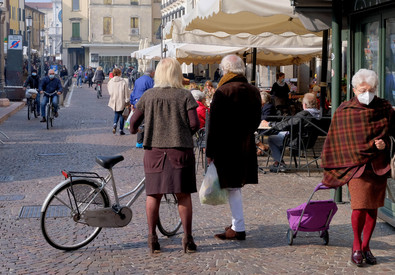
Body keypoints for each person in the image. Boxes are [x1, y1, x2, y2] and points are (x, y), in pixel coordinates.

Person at [321, 69, 395, 267]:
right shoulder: (345, 110)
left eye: (371, 90)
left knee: (373, 208)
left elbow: (393, 134)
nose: (367, 94)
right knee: (360, 206)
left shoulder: (385, 108)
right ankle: (356, 246)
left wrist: (385, 143)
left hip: (377, 166)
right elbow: (337, 140)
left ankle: (366, 246)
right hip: (355, 167)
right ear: (354, 90)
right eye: (363, 90)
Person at [129, 57, 199, 254]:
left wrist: (148, 128)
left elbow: (133, 125)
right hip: (180, 150)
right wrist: (182, 133)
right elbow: (194, 124)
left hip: (154, 151)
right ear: (177, 74)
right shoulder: (185, 96)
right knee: (183, 194)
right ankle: (188, 239)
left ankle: (152, 238)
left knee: (153, 194)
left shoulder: (148, 96)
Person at [206, 54, 261, 240]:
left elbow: (213, 124)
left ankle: (239, 227)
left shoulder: (223, 91)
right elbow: (256, 121)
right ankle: (236, 224)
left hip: (226, 146)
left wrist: (210, 151)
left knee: (233, 187)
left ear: (226, 70)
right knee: (234, 186)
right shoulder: (253, 90)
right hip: (245, 144)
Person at [260, 93, 321, 172]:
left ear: (304, 105)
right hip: (309, 141)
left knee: (272, 138)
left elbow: (287, 125)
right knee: (280, 137)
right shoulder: (319, 115)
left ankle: (280, 163)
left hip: (298, 141)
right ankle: (278, 163)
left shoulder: (303, 114)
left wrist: (269, 124)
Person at [130, 68, 155, 148]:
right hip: (145, 104)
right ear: (151, 73)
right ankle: (144, 141)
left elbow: (134, 92)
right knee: (146, 122)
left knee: (140, 122)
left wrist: (132, 102)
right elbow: (153, 93)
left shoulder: (138, 80)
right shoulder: (151, 81)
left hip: (136, 102)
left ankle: (139, 142)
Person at [107, 68, 130, 135]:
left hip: (114, 100)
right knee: (122, 115)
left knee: (116, 113)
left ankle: (114, 124)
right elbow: (126, 92)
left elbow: (109, 91)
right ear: (120, 73)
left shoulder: (110, 82)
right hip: (121, 100)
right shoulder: (123, 81)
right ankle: (121, 130)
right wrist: (127, 100)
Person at [256, 91, 277, 156]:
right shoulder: (264, 106)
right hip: (262, 127)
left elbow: (265, 117)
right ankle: (263, 147)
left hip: (267, 128)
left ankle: (261, 146)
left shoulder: (268, 106)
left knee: (250, 132)